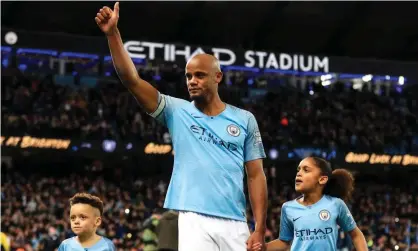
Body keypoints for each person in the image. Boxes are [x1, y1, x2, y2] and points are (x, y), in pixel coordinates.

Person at [95, 3, 268, 251]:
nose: (192, 81)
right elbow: (131, 80)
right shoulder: (177, 111)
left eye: (199, 75)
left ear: (217, 77)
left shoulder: (244, 119)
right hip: (192, 217)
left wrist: (259, 227)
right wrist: (113, 34)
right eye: (188, 76)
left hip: (236, 221)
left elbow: (255, 175)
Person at [251, 157, 368, 251]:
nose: (299, 173)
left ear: (322, 179)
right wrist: (264, 247)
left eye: (306, 170)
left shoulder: (336, 204)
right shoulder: (288, 208)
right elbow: (284, 242)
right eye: (299, 170)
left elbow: (356, 235)